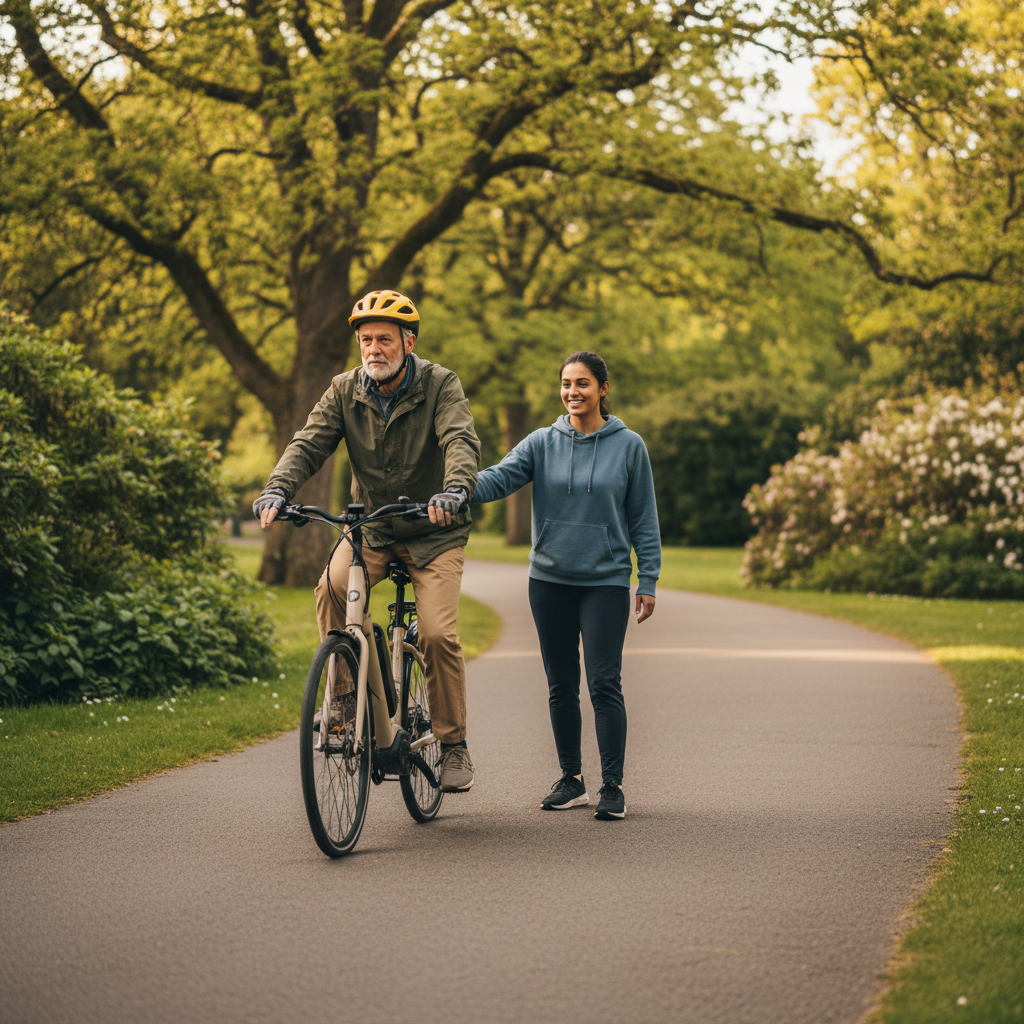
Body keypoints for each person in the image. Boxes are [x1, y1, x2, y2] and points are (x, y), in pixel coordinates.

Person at [253, 290, 481, 792]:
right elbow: (308, 443)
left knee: (439, 635)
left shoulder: (441, 384)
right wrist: (277, 488)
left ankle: (453, 744)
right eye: (365, 340)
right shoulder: (343, 390)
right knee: (333, 588)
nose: (373, 348)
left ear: (408, 341)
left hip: (433, 531)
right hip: (372, 528)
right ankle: (341, 699)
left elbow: (459, 440)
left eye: (384, 338)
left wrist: (455, 489)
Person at [472, 351, 660, 820]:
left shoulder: (629, 445)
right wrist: (458, 487)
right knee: (560, 685)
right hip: (549, 581)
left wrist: (648, 579)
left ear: (602, 388)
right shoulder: (541, 442)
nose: (572, 392)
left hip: (605, 582)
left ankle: (612, 786)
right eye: (565, 384)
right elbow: (500, 477)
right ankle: (571, 779)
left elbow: (644, 519)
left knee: (603, 684)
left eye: (582, 383)